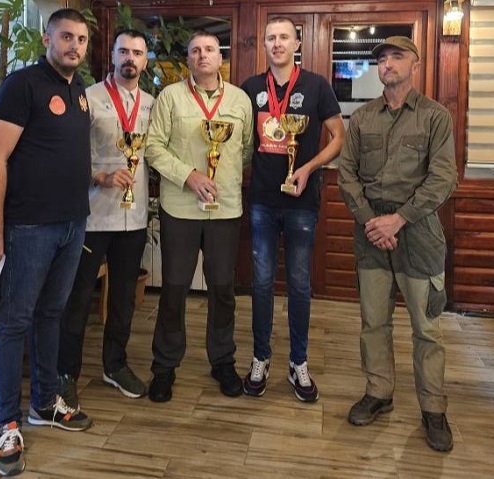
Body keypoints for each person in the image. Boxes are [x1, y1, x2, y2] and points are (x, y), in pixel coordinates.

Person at [0, 8, 93, 477]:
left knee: (52, 314)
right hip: (29, 227)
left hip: (72, 224)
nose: (74, 46)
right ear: (47, 38)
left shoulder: (79, 89)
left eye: (81, 39)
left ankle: (44, 403)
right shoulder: (22, 85)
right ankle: (6, 425)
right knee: (14, 322)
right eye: (66, 37)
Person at [337, 36, 458, 452]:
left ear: (415, 65)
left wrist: (399, 219)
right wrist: (372, 221)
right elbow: (347, 175)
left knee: (427, 328)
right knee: (373, 321)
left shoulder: (435, 117)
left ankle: (433, 408)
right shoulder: (362, 118)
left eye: (397, 57)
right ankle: (379, 392)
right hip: (371, 233)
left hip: (419, 232)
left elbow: (443, 178)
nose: (387, 64)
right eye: (382, 59)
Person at [144, 30, 253, 403]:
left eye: (209, 49)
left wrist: (223, 177)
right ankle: (164, 366)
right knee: (174, 288)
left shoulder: (239, 100)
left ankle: (223, 361)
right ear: (188, 58)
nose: (202, 55)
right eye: (195, 50)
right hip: (180, 208)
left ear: (220, 57)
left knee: (223, 289)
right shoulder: (170, 97)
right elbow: (153, 148)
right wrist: (189, 176)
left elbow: (247, 149)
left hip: (225, 209)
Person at [240, 17, 344, 402]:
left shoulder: (316, 85)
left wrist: (309, 167)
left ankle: (298, 361)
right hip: (262, 201)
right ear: (264, 44)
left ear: (297, 43)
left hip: (302, 202)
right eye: (271, 38)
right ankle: (261, 357)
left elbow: (338, 137)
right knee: (262, 283)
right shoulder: (251, 88)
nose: (277, 43)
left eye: (284, 37)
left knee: (299, 284)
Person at [57, 29, 154, 405]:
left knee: (124, 297)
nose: (130, 58)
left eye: (137, 53)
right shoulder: (88, 98)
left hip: (134, 216)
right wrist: (100, 176)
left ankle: (115, 365)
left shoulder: (152, 103)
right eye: (124, 51)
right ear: (112, 56)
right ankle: (67, 373)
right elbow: (70, 153)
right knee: (79, 297)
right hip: (93, 216)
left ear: (145, 61)